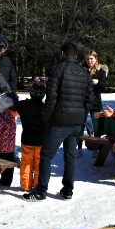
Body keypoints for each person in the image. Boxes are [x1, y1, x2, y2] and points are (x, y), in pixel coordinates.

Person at [23, 42, 91, 201]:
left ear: (62, 53)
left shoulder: (57, 69)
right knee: (70, 156)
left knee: (46, 155)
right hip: (76, 121)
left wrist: (47, 117)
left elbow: (51, 98)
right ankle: (68, 190)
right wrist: (82, 116)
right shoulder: (85, 73)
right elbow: (89, 99)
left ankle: (41, 191)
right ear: (76, 55)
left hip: (59, 120)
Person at [15, 77, 47, 193]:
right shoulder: (45, 108)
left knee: (26, 163)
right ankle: (37, 184)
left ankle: (25, 185)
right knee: (39, 165)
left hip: (27, 139)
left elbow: (14, 104)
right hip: (41, 141)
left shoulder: (23, 105)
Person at [77, 50, 108, 155]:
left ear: (96, 59)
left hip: (95, 102)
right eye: (88, 59)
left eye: (91, 59)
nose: (89, 61)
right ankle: (79, 148)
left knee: (97, 126)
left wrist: (98, 82)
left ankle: (96, 148)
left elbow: (103, 87)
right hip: (83, 102)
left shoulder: (101, 71)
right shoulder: (82, 70)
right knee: (80, 125)